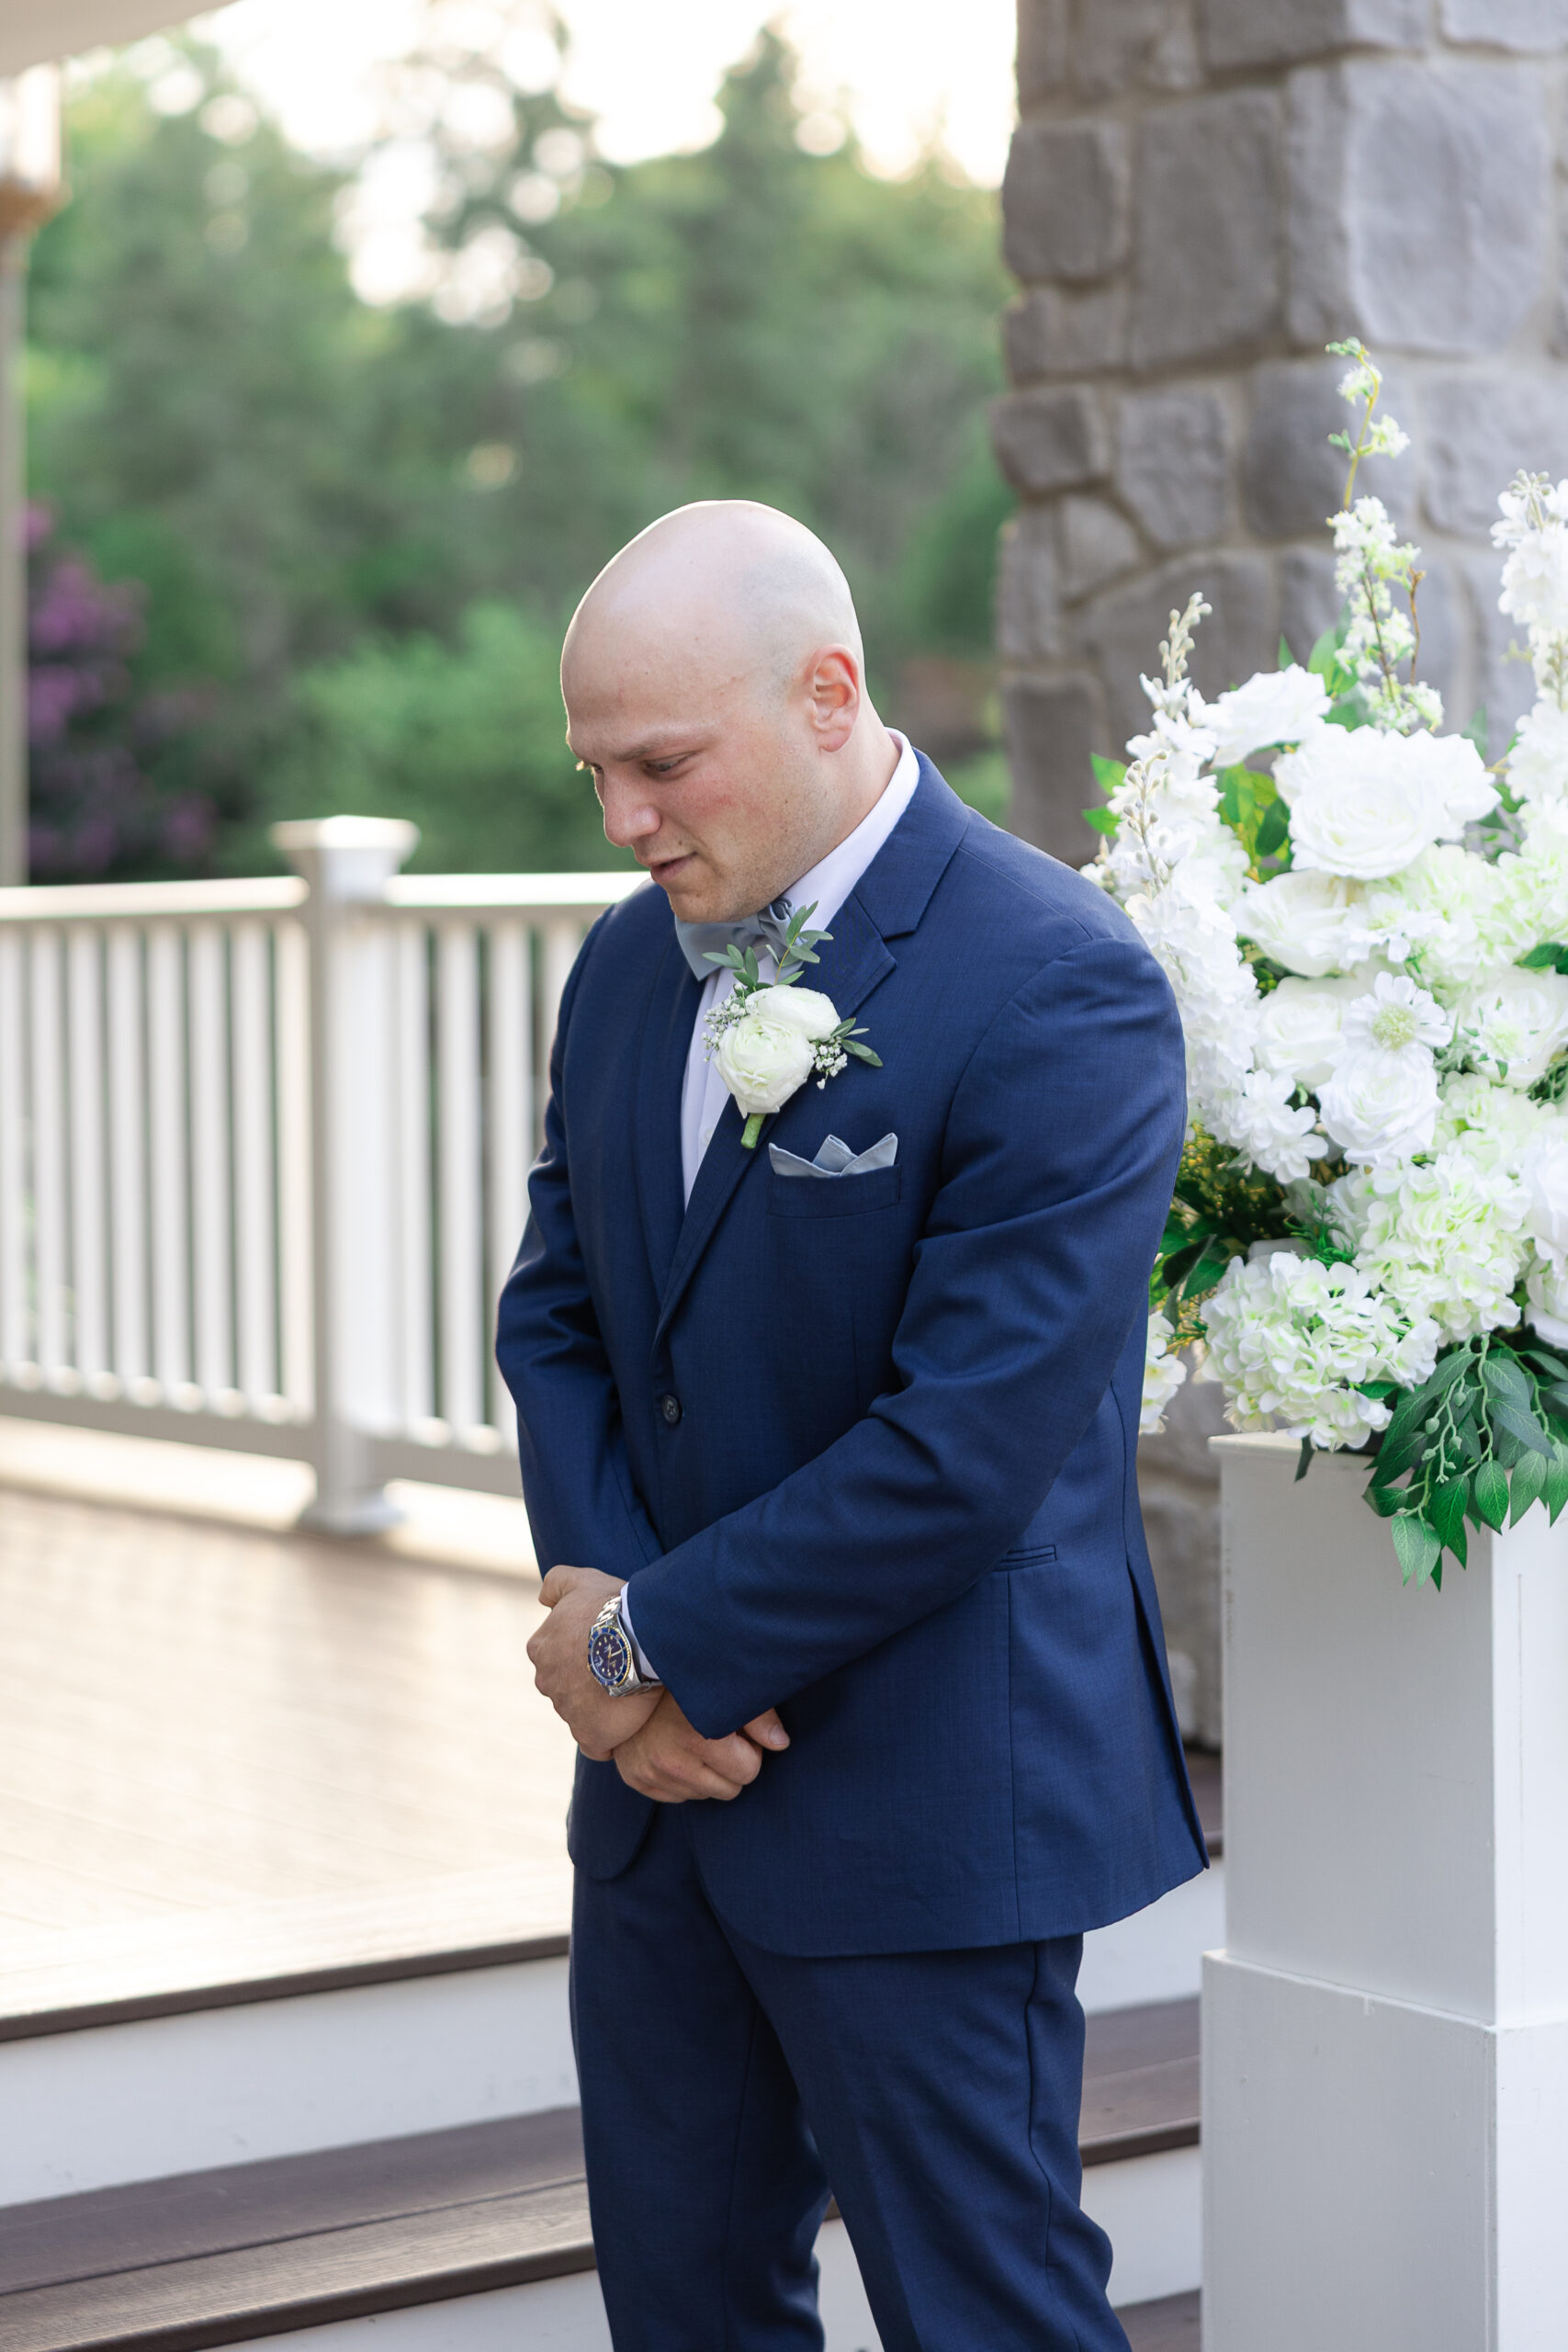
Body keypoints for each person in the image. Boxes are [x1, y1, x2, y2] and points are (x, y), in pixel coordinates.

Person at [498, 499, 1205, 2351]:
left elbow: (959, 1450)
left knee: (984, 2315)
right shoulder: (625, 958)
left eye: (658, 763)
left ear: (828, 692)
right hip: (652, 1795)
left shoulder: (1057, 980)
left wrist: (643, 1643)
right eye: (593, 773)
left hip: (917, 1794)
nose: (622, 821)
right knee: (685, 2306)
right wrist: (603, 1629)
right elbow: (560, 1310)